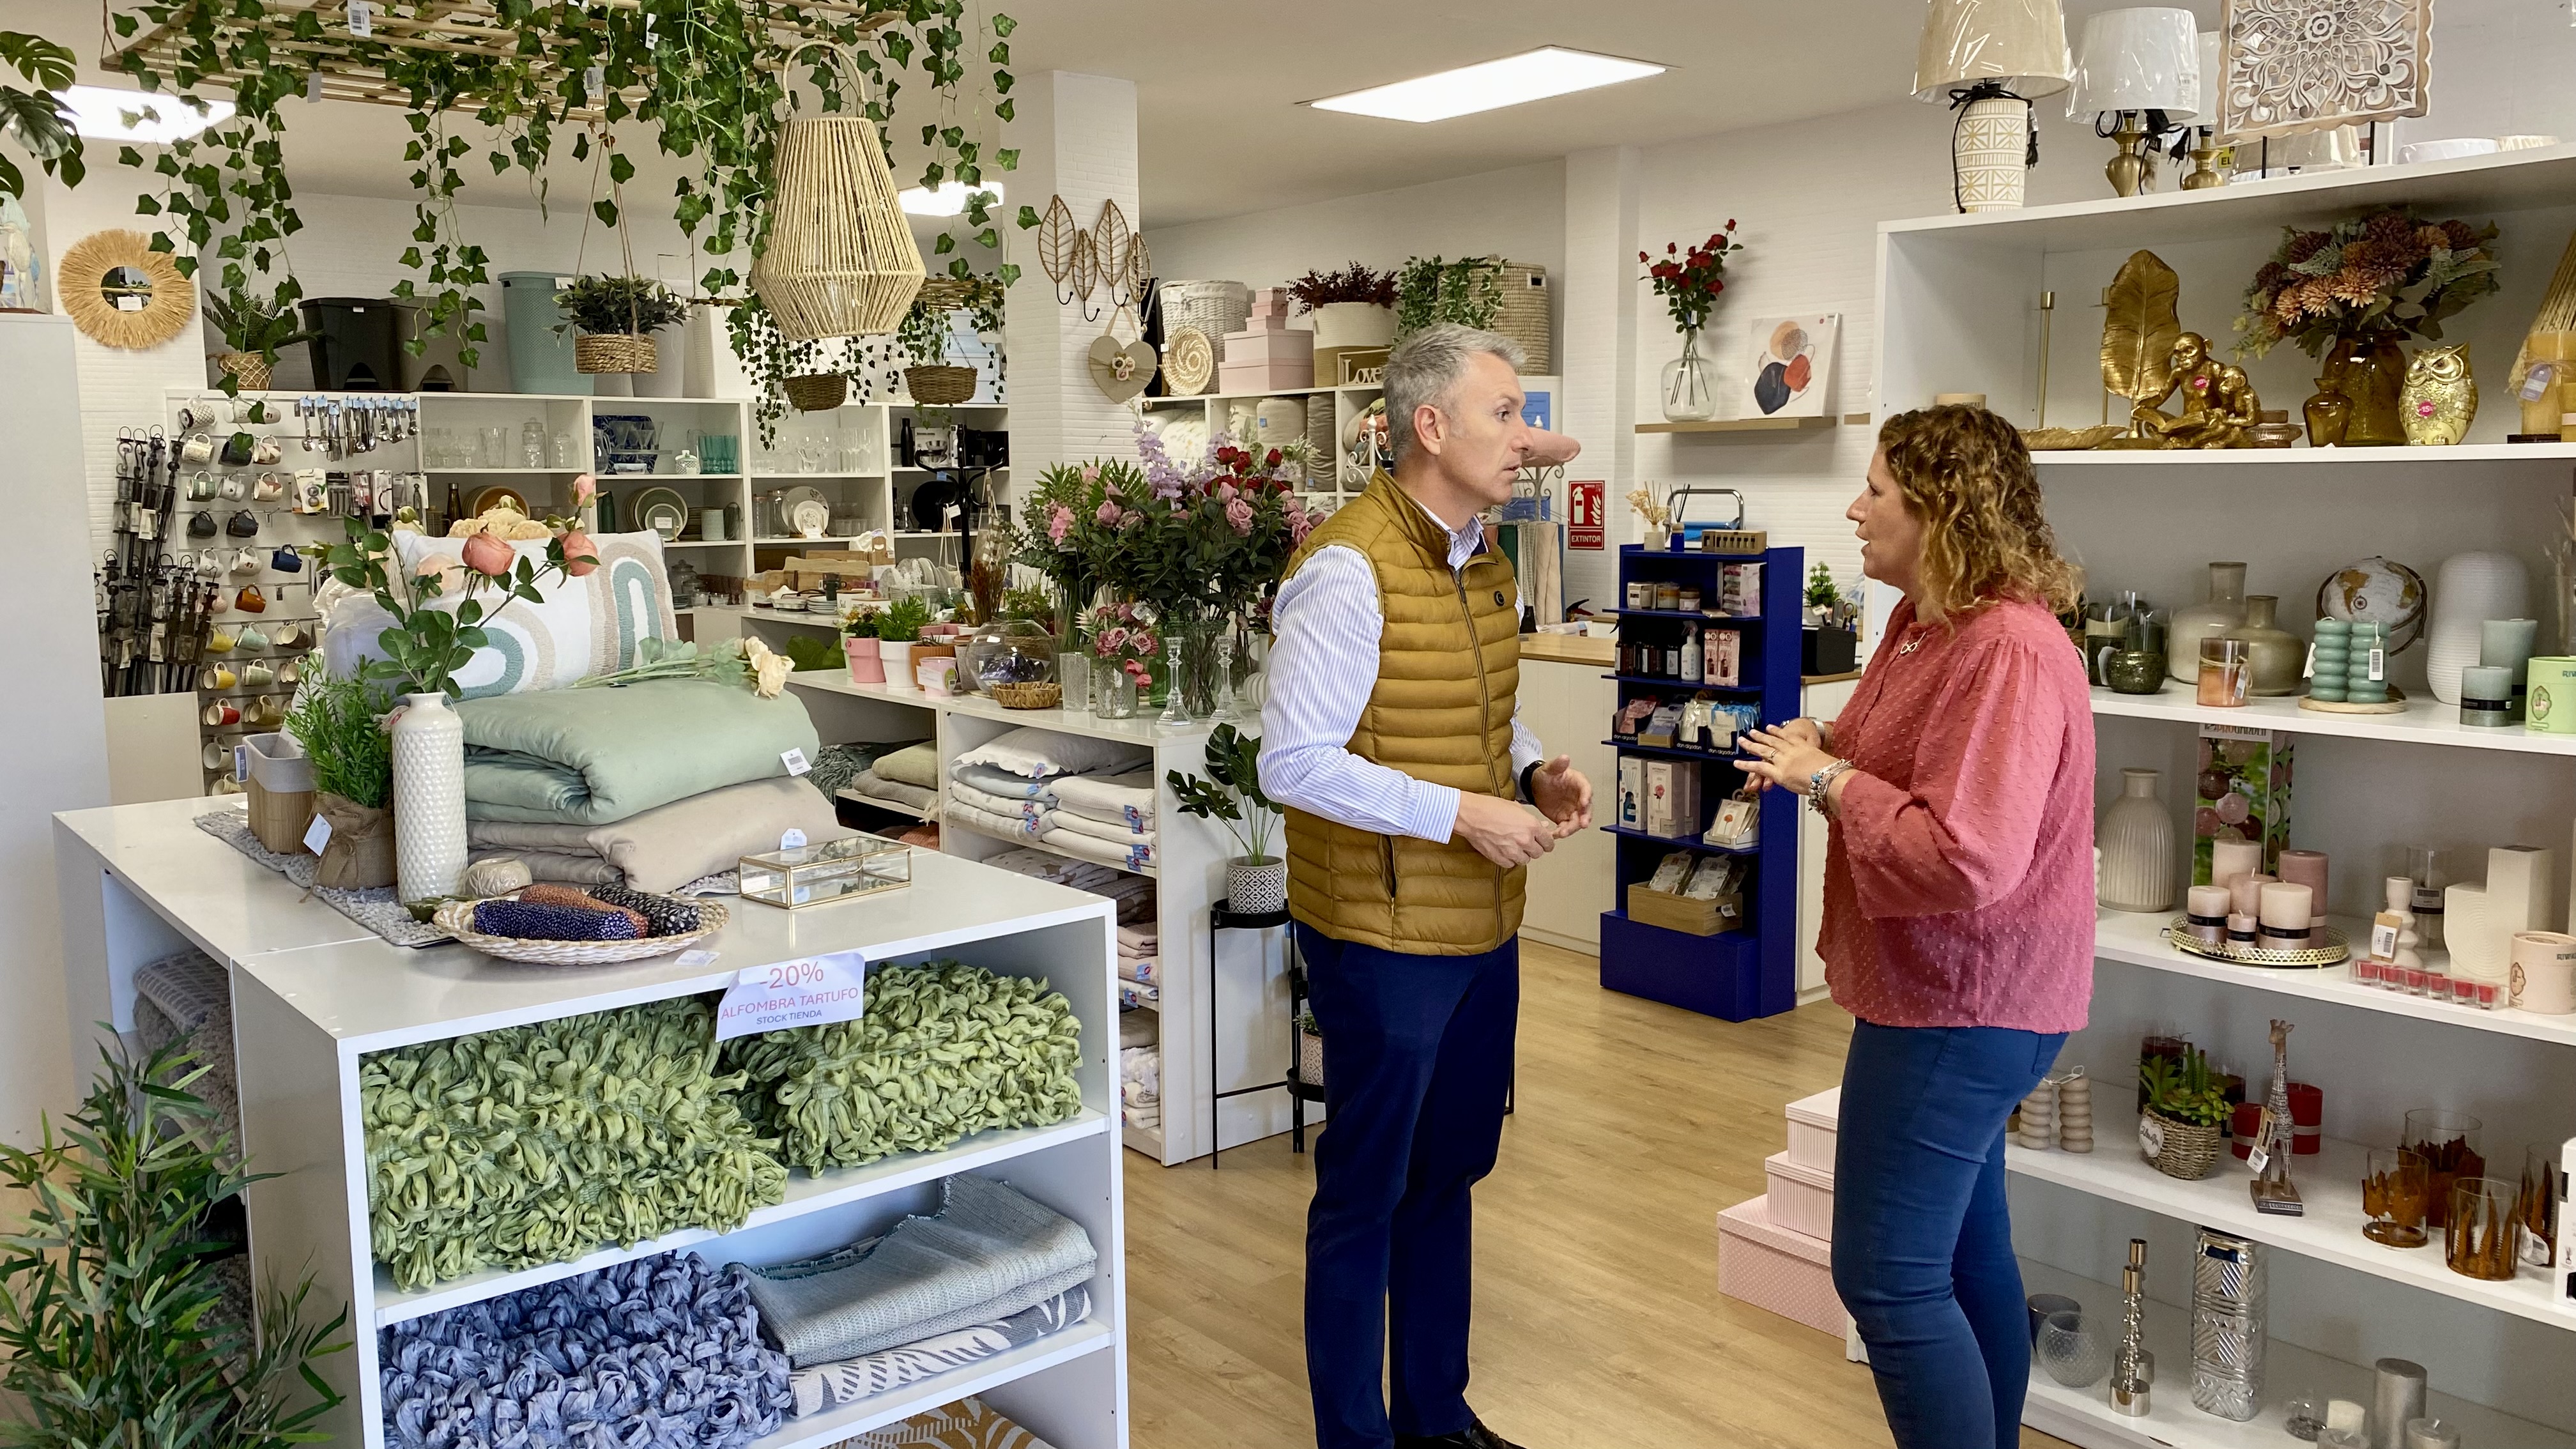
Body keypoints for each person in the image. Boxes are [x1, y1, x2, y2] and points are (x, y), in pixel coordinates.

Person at [1733, 404, 2094, 1449]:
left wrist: (1830, 777)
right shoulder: (1927, 624)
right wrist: (1829, 741)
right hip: (1938, 995)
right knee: (1962, 1259)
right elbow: (1913, 757)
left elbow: (1969, 855)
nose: (1856, 508)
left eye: (1878, 491)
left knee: (1885, 1280)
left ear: (1940, 512)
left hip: (1963, 1004)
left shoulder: (2009, 650)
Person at [1259, 323, 1591, 1449]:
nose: (1525, 435)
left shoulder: (1479, 556)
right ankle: (1357, 1436)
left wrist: (1535, 768)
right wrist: (1463, 814)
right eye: (1505, 412)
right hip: (1379, 932)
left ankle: (1436, 1419)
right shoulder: (1348, 568)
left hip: (1478, 930)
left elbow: (1467, 712)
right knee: (1366, 1189)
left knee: (1448, 1171)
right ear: (1430, 426)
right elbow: (1295, 762)